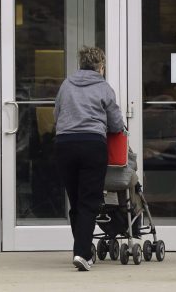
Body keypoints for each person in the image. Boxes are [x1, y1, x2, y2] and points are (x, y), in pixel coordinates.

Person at [54, 46, 125, 271]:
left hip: (65, 144)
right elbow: (116, 124)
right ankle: (82, 253)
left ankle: (82, 250)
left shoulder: (66, 85)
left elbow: (57, 114)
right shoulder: (104, 87)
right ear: (100, 66)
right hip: (92, 145)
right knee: (89, 201)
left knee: (75, 201)